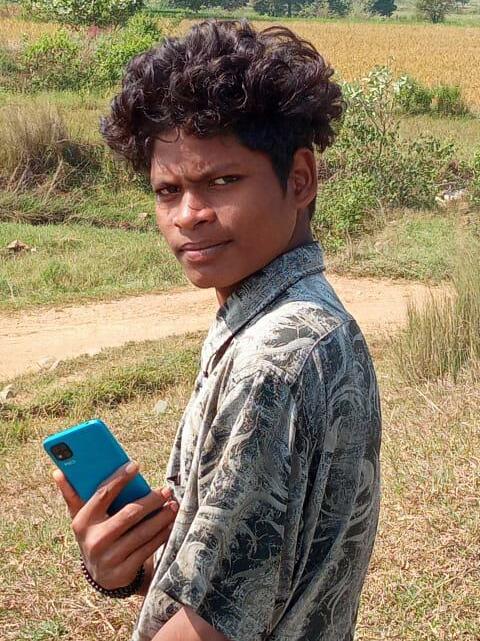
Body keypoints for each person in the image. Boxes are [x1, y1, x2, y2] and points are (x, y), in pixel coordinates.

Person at [53, 18, 381, 641]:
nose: (189, 215)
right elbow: (247, 578)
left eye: (222, 181)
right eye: (167, 190)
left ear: (300, 179)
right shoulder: (298, 320)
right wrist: (124, 568)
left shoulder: (275, 358)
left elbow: (213, 626)